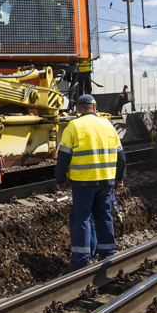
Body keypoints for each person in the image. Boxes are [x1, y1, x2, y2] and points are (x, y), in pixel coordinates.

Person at [56, 94, 127, 268]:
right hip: (106, 181)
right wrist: (119, 178)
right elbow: (121, 156)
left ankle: (81, 260)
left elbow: (63, 158)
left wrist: (61, 180)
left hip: (83, 182)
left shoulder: (73, 127)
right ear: (95, 108)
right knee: (104, 216)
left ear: (78, 109)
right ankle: (108, 254)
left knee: (82, 219)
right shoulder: (108, 126)